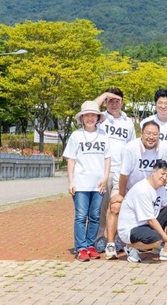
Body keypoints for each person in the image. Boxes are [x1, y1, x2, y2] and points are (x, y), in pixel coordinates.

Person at [106, 121, 167, 258]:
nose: (151, 137)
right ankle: (111, 244)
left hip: (148, 188)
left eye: (155, 134)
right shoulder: (130, 148)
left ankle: (147, 241)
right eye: (148, 133)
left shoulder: (165, 149)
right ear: (141, 133)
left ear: (159, 135)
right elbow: (124, 174)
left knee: (160, 210)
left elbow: (163, 173)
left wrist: (161, 193)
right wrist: (121, 195)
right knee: (116, 207)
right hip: (126, 184)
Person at [64, 101, 111, 262]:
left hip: (98, 184)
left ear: (98, 117)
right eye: (87, 115)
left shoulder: (103, 135)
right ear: (82, 118)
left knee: (95, 216)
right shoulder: (76, 135)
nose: (90, 118)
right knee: (81, 216)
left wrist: (105, 178)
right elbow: (71, 160)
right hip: (81, 183)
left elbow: (107, 158)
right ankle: (81, 247)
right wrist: (71, 181)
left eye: (93, 115)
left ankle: (91, 245)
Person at [93, 88, 136, 256]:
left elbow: (132, 147)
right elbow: (89, 107)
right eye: (110, 100)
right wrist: (104, 95)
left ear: (122, 102)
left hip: (121, 171)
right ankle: (98, 239)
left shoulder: (128, 122)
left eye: (117, 100)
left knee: (117, 206)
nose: (114, 104)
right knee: (100, 208)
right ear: (105, 102)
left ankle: (117, 238)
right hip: (103, 171)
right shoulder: (100, 119)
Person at [117, 160, 167, 263]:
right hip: (131, 229)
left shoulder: (160, 188)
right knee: (157, 240)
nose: (164, 178)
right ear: (153, 172)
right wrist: (166, 238)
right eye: (162, 173)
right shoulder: (142, 190)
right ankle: (130, 246)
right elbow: (150, 220)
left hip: (146, 224)